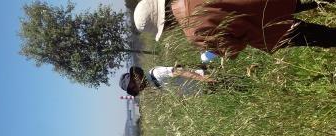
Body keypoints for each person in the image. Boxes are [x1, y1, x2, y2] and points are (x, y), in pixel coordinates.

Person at [133, 0, 336, 59]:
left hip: (273, 30)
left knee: (327, 37)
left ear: (165, 26)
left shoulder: (195, 34)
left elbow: (234, 49)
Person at [119, 65, 215, 96]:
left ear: (137, 75)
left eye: (134, 82)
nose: (136, 86)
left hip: (206, 79)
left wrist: (204, 79)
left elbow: (180, 71)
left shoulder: (156, 73)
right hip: (204, 90)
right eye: (133, 88)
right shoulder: (152, 86)